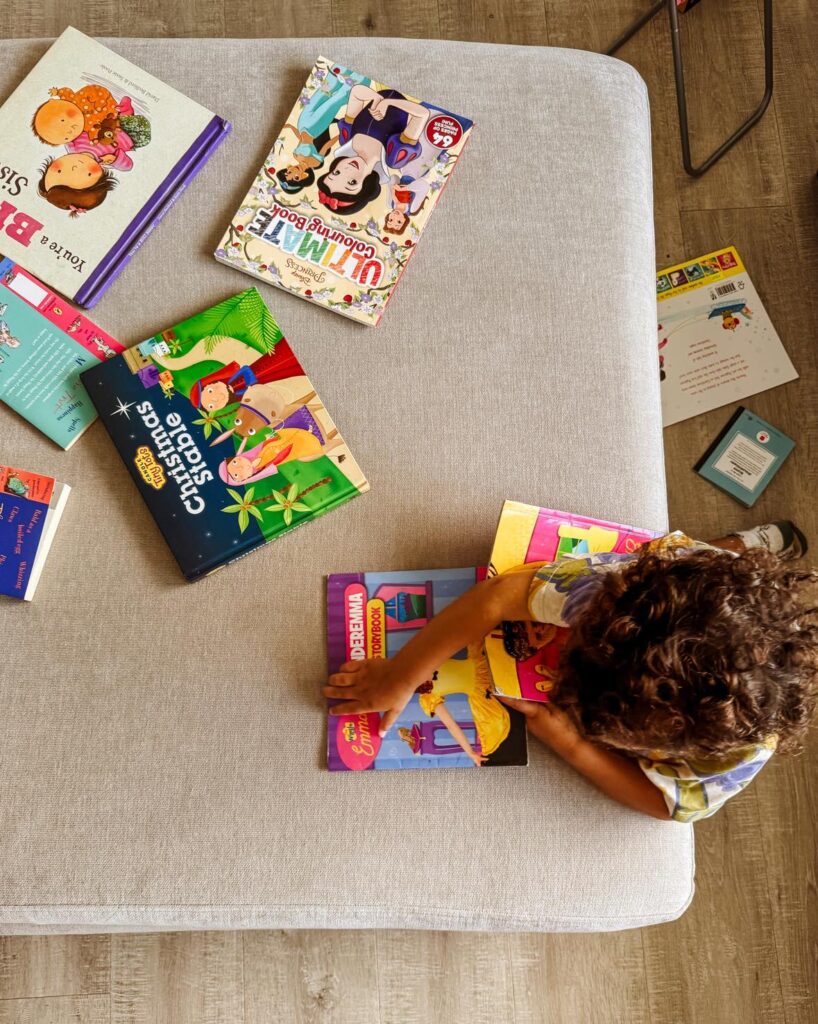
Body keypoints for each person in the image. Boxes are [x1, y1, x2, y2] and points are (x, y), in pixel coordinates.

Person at [324, 522, 817, 821]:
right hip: (692, 580)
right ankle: (741, 545)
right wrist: (403, 674)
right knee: (709, 557)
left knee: (717, 568)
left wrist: (568, 741)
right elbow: (501, 595)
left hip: (717, 613)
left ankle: (746, 544)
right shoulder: (612, 593)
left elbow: (665, 806)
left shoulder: (737, 752)